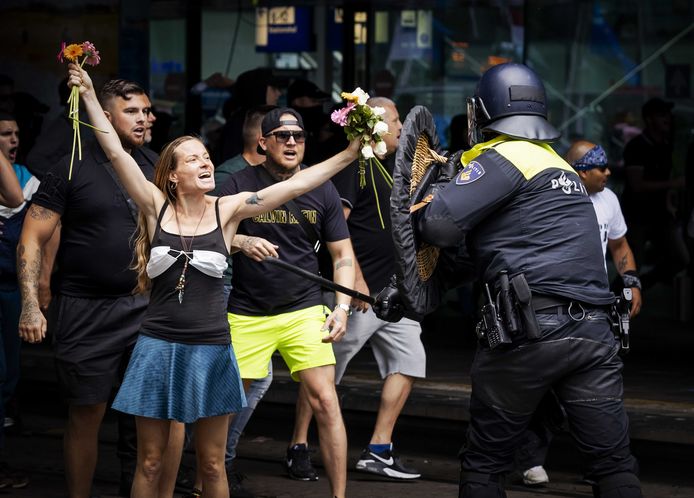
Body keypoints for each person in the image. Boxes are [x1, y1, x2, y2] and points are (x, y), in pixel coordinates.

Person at [64, 65, 358, 498]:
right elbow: (115, 152)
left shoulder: (228, 209)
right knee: (149, 461)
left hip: (212, 348)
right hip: (157, 346)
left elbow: (297, 188)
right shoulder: (154, 205)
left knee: (212, 464)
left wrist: (350, 154)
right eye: (193, 159)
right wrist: (89, 94)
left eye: (206, 156)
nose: (205, 162)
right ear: (171, 175)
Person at [414, 62, 642, 497]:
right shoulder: (557, 165)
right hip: (595, 333)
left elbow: (440, 228)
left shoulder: (505, 158)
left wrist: (429, 201)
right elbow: (494, 249)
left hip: (530, 332)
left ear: (483, 110)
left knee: (485, 464)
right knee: (612, 465)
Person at [16, 78, 159, 498]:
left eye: (147, 111)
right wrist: (30, 303)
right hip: (85, 310)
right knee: (86, 415)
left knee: (148, 419)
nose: (145, 118)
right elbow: (31, 237)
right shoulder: (70, 165)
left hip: (147, 307)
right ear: (105, 116)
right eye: (133, 111)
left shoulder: (156, 164)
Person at [217, 107, 356, 498]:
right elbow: (203, 233)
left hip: (304, 308)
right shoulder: (238, 183)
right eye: (281, 135)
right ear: (263, 142)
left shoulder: (323, 188)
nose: (292, 142)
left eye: (299, 136)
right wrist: (241, 242)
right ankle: (207, 482)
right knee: (225, 407)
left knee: (326, 401)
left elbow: (342, 255)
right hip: (247, 311)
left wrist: (342, 307)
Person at [291, 96, 425, 480]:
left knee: (410, 361)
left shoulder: (391, 169)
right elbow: (338, 228)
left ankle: (379, 449)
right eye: (396, 120)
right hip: (359, 294)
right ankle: (298, 444)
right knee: (321, 371)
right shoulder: (356, 165)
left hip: (394, 294)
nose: (401, 127)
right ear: (377, 127)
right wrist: (356, 281)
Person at [517, 139, 643, 486]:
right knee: (545, 387)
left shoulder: (609, 199)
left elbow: (619, 244)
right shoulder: (553, 198)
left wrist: (630, 280)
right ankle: (530, 459)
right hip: (554, 307)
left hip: (596, 306)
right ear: (580, 171)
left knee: (599, 388)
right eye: (600, 167)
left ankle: (607, 466)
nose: (608, 172)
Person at [0, 112, 36, 489]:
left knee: (9, 375)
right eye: (4, 134)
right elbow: (11, 198)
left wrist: (42, 282)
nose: (12, 140)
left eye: (15, 133)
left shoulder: (25, 174)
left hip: (11, 285)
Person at [621, 97, 688, 289]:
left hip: (660, 215)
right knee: (632, 266)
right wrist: (672, 184)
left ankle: (643, 285)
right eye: (662, 115)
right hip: (637, 215)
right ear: (649, 119)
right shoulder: (636, 147)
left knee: (680, 258)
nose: (667, 119)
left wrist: (670, 201)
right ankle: (615, 303)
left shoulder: (666, 146)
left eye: (668, 115)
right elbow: (637, 185)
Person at [287, 78, 330, 166]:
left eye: (320, 102)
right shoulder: (286, 131)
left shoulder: (322, 123)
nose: (318, 106)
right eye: (313, 101)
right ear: (297, 101)